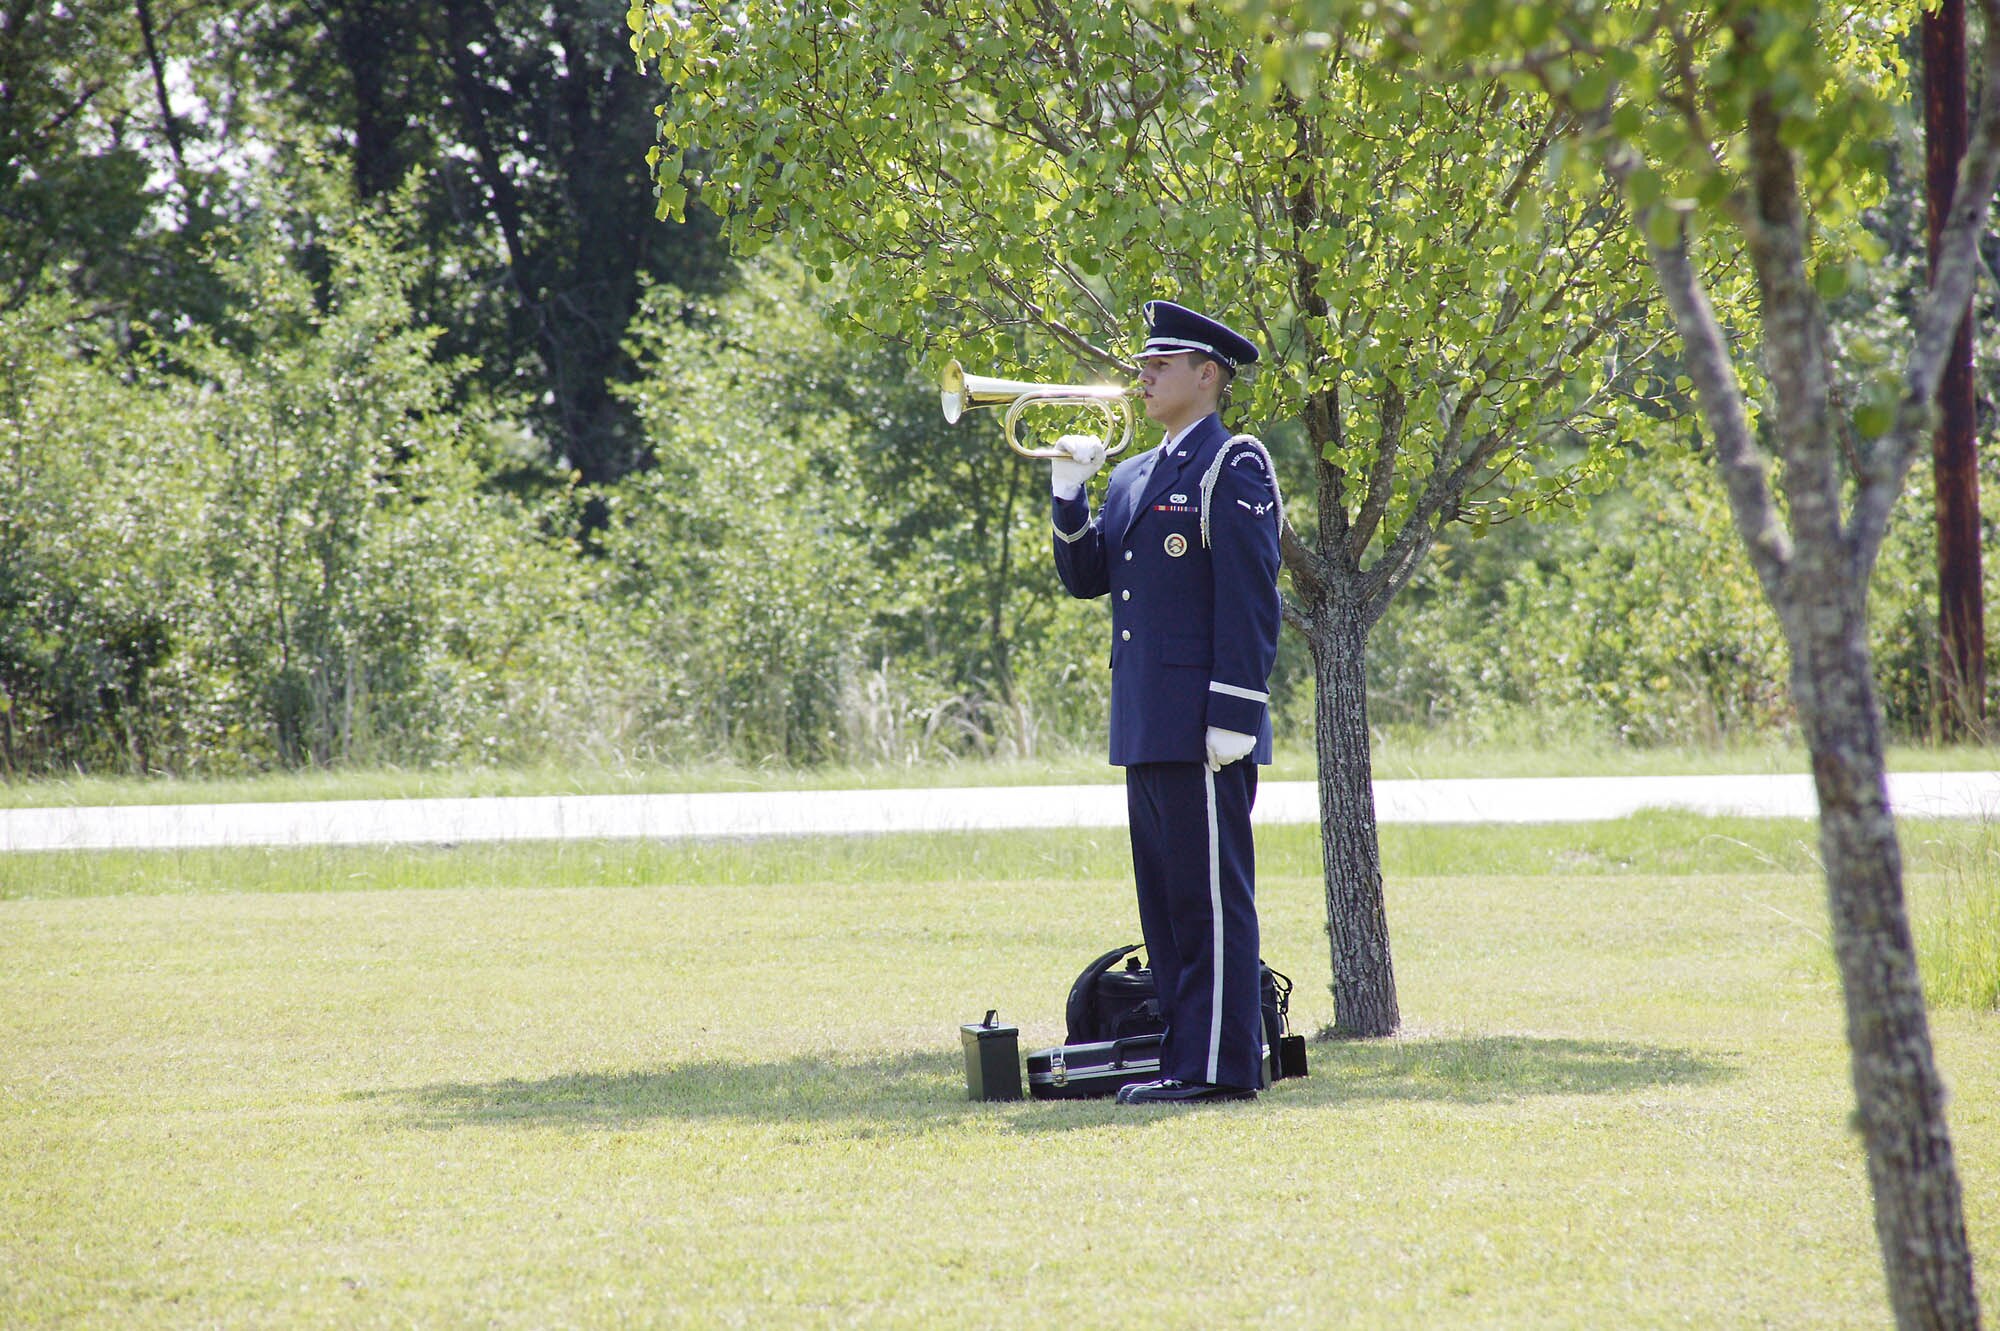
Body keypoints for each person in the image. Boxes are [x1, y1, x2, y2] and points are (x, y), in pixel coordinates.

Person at [1049, 299, 1282, 1105]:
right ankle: (1187, 1059)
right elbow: (1088, 579)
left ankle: (1220, 1068)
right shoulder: (1137, 473)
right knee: (1170, 907)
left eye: (1163, 363)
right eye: (1143, 362)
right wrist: (1069, 495)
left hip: (1205, 725)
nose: (1143, 374)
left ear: (1206, 374)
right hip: (1148, 721)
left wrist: (1236, 714)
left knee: (1211, 901)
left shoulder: (1234, 464)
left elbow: (1250, 601)